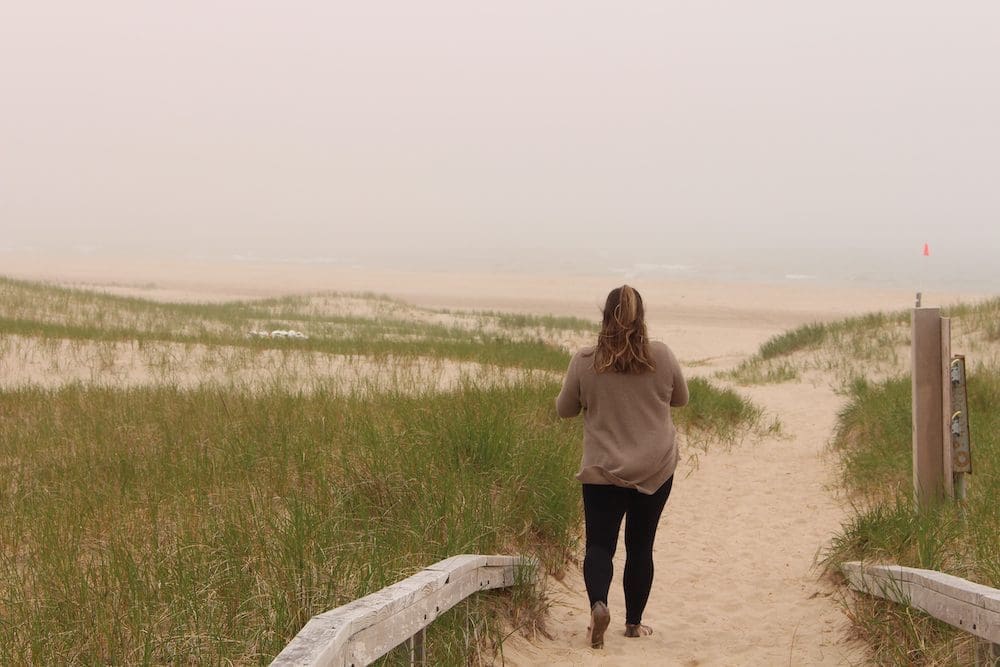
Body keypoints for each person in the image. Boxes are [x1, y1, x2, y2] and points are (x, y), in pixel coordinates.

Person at [555, 284, 688, 649]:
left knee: (599, 545)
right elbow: (682, 398)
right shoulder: (661, 355)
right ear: (641, 317)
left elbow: (564, 409)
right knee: (641, 546)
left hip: (602, 470)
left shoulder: (585, 360)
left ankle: (599, 605)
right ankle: (633, 624)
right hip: (654, 468)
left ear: (604, 316)